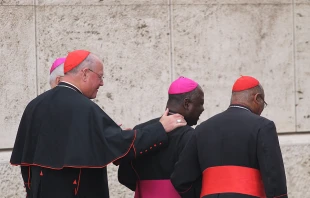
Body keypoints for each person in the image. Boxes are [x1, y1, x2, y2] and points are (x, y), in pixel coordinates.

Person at [10, 50, 187, 198]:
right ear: (85, 73)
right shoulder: (83, 108)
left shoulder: (35, 105)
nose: (102, 83)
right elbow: (121, 146)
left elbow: (27, 163)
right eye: (100, 77)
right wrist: (160, 128)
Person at [171, 76, 288, 198]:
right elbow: (274, 178)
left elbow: (180, 178)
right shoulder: (264, 126)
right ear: (257, 98)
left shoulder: (202, 129)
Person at [118, 76, 204, 198]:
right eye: (200, 103)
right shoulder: (190, 136)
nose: (202, 109)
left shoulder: (140, 130)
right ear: (186, 103)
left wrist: (148, 188)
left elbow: (124, 176)